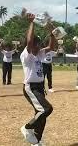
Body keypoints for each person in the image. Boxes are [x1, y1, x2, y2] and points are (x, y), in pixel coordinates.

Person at [20, 13, 55, 145]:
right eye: (37, 43)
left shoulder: (39, 54)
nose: (39, 45)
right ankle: (27, 127)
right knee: (46, 110)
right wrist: (32, 22)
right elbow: (29, 41)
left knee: (41, 116)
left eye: (39, 43)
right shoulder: (26, 55)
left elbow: (51, 47)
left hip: (39, 87)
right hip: (31, 87)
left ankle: (37, 141)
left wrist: (52, 32)